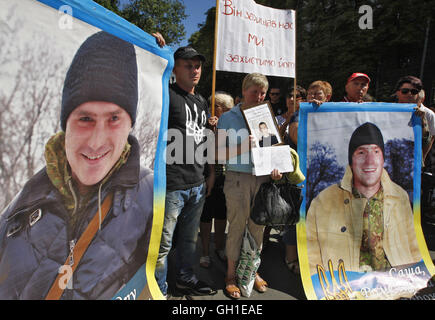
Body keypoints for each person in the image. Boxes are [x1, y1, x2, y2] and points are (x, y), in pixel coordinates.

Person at [0, 31, 155, 299]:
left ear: (130, 125)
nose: (96, 142)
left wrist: (152, 50)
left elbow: (155, 276)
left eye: (113, 119)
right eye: (85, 119)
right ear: (65, 126)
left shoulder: (151, 193)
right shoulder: (27, 199)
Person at [306, 122, 421, 276]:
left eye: (376, 151)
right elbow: (311, 251)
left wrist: (419, 278)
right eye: (361, 153)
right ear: (351, 161)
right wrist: (319, 286)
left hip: (395, 284)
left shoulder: (399, 196)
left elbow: (413, 245)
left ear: (383, 159)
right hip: (345, 288)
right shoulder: (323, 201)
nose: (370, 161)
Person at [154, 46, 216, 297]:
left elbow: (204, 140)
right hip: (171, 184)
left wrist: (211, 173)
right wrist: (158, 48)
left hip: (198, 183)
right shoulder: (165, 95)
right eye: (188, 65)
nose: (194, 70)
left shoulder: (201, 100)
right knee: (163, 244)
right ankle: (158, 289)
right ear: (175, 67)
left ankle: (185, 280)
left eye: (197, 66)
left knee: (189, 242)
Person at [216, 73, 282, 299]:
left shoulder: (266, 116)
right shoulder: (228, 117)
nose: (259, 96)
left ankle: (252, 272)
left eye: (263, 92)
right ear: (244, 91)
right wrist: (242, 147)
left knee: (257, 229)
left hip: (262, 178)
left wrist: (277, 168)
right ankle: (231, 275)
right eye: (254, 91)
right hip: (237, 178)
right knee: (236, 227)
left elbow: (273, 150)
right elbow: (217, 154)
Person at [199, 92, 234, 269]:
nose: (232, 111)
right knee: (206, 216)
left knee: (222, 215)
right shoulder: (204, 124)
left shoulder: (230, 126)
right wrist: (210, 130)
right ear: (218, 109)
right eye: (228, 109)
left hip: (226, 178)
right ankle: (205, 251)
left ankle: (219, 247)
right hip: (207, 177)